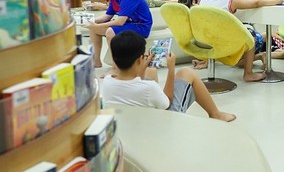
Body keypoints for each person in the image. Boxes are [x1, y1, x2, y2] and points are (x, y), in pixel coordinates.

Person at [99, 30, 235, 122]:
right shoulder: (149, 88)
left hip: (136, 120)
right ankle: (215, 114)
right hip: (165, 121)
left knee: (151, 71)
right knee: (187, 72)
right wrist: (171, 68)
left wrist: (144, 66)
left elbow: (134, 82)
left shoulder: (107, 82)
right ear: (139, 59)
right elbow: (167, 102)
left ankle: (215, 114)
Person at [199, 0, 284, 82]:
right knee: (250, 39)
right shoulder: (231, 0)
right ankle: (248, 74)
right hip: (225, 41)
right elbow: (255, 3)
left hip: (206, 40)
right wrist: (276, 1)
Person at [87, 0, 153, 68]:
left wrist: (97, 25)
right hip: (129, 24)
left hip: (141, 27)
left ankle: (116, 67)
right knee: (93, 28)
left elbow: (120, 22)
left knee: (110, 31)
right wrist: (91, 21)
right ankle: (96, 61)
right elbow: (107, 16)